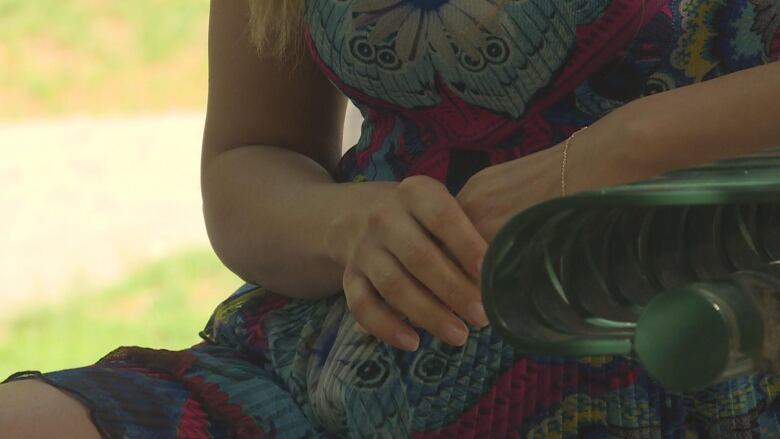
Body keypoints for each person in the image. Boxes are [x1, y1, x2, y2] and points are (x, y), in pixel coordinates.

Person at [1, 0, 779, 437]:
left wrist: (618, 150)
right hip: (333, 382)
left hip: (703, 368)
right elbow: (250, 154)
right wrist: (351, 225)